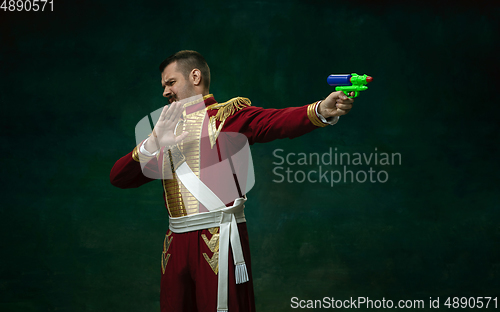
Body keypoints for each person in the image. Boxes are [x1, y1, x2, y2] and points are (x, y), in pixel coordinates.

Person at [110, 50, 354, 312]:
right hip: (175, 243)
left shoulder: (228, 116)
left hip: (218, 236)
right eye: (164, 86)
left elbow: (276, 121)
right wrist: (153, 142)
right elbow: (119, 178)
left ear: (195, 76)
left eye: (171, 83)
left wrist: (321, 110)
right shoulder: (164, 131)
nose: (165, 92)